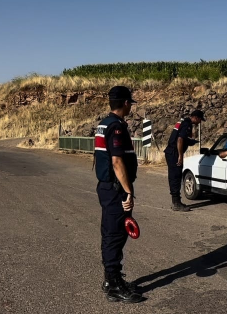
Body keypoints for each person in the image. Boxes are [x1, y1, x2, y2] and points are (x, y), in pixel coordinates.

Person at [94, 86, 143, 303]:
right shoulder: (115, 127)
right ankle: (113, 284)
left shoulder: (104, 123)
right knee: (115, 235)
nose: (131, 106)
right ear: (124, 103)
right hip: (116, 189)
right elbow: (116, 161)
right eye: (130, 103)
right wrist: (128, 192)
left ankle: (111, 279)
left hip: (108, 187)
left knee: (112, 233)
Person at [164, 110, 205, 211]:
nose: (200, 122)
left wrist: (191, 142)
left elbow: (183, 139)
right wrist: (180, 156)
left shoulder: (183, 122)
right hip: (174, 153)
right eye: (200, 120)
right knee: (176, 177)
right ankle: (176, 203)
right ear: (195, 117)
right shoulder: (187, 124)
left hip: (171, 152)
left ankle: (176, 201)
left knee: (174, 176)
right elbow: (180, 140)